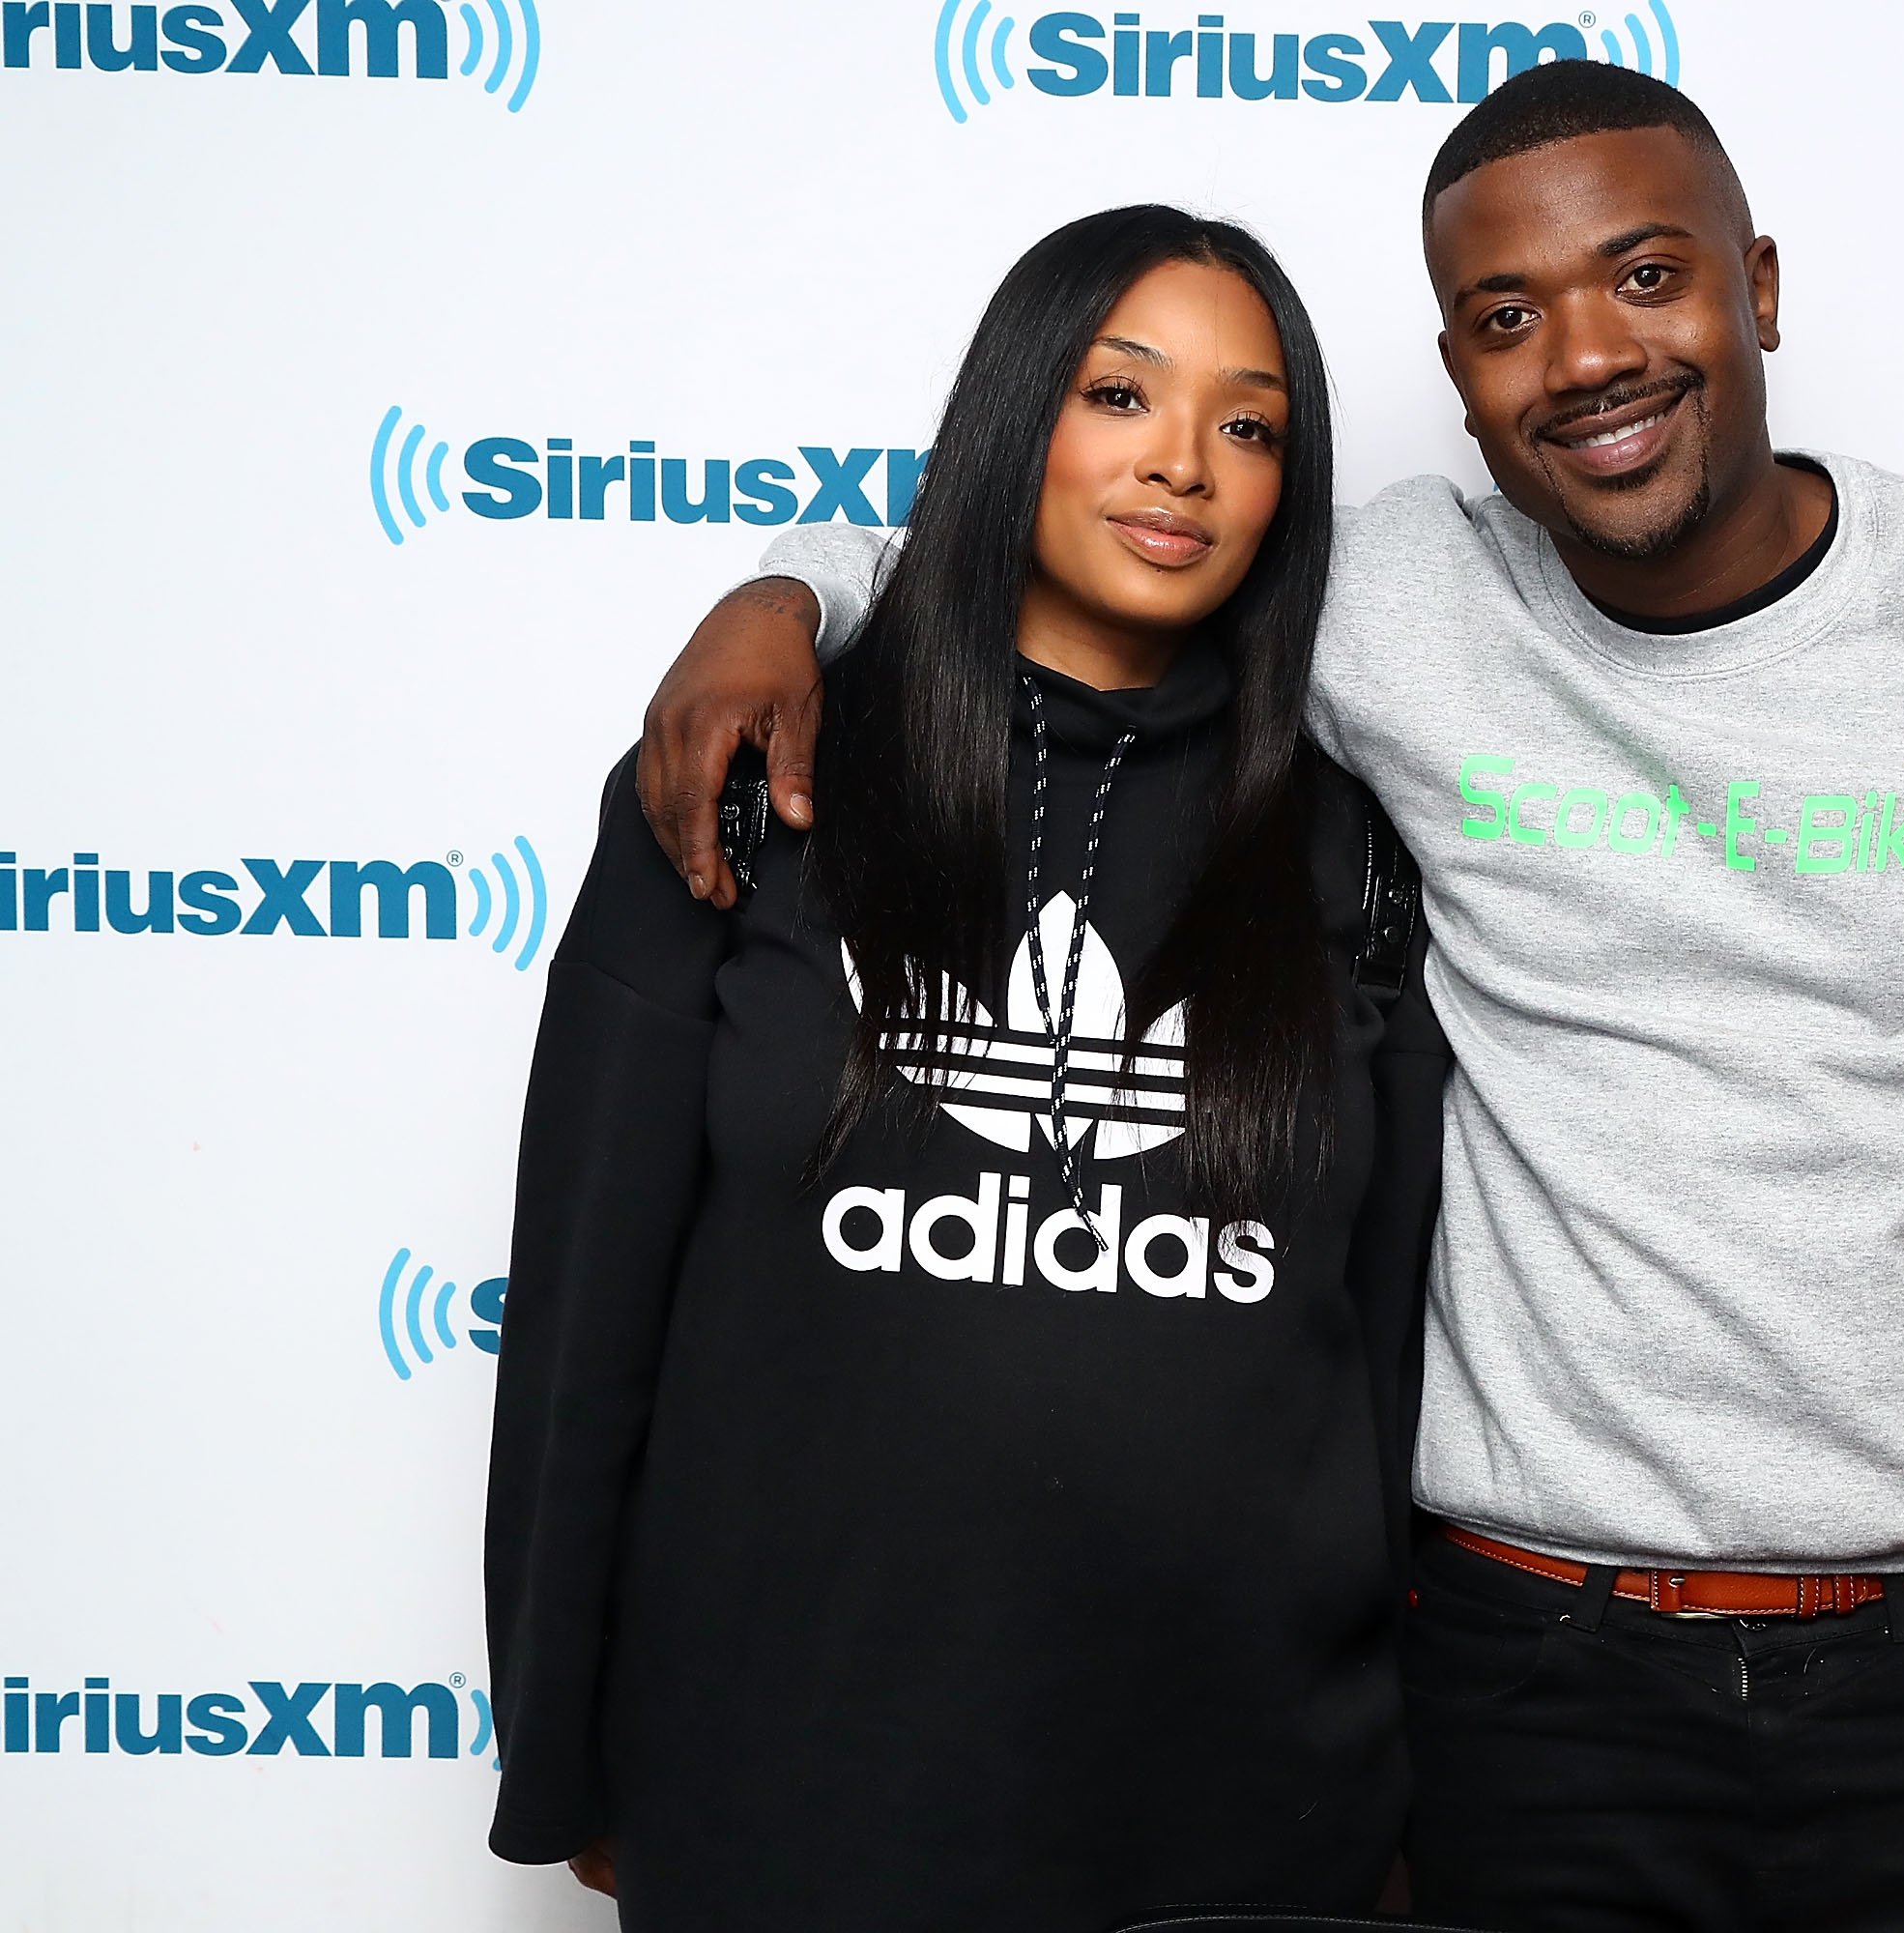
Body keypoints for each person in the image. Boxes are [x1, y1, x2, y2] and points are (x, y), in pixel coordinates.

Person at [629, 66, 1904, 1933]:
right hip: (1528, 1684)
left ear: (1761, 288)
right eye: (1507, 318)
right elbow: (1070, 550)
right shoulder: (1388, 600)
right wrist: (791, 595)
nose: (1588, 357)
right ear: (1453, 375)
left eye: (1646, 278)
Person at [482, 205, 1449, 1932]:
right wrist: (563, 1746)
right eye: (1119, 396)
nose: (1183, 469)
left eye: (1249, 427)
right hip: (786, 1781)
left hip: (1243, 1812)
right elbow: (582, 1318)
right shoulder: (754, 778)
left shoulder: (1359, 848)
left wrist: (1404, 1793)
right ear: (1017, 414)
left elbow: (1380, 1367)